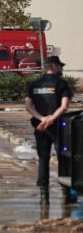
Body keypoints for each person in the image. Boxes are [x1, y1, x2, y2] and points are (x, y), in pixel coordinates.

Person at [25, 56, 73, 205]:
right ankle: (66, 193)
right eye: (60, 66)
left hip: (40, 128)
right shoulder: (62, 84)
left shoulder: (34, 84)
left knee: (43, 159)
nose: (62, 69)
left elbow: (28, 106)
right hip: (59, 127)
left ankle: (44, 195)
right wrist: (51, 119)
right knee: (63, 159)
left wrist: (42, 119)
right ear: (54, 66)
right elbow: (64, 106)